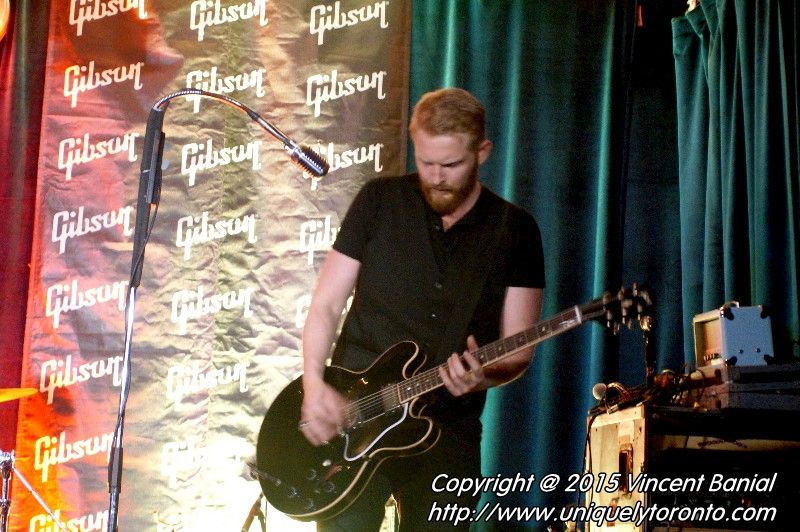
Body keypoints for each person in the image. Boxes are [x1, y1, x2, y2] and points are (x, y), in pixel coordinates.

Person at [299, 87, 545, 531]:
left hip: (447, 429)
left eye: (451, 165)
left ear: (482, 152)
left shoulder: (516, 230)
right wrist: (314, 385)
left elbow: (519, 349)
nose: (436, 177)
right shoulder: (378, 201)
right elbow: (326, 304)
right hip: (356, 414)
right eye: (426, 161)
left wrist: (483, 376)